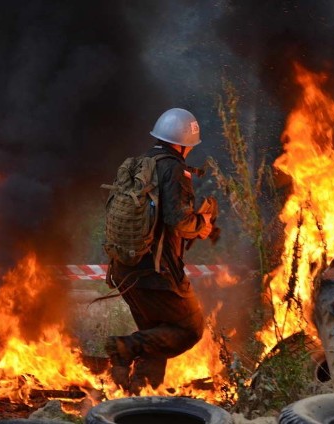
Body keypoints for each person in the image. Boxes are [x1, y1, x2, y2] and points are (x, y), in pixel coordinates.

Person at [104, 107, 214, 394]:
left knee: (157, 336)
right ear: (183, 144)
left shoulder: (141, 163)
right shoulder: (173, 168)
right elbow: (179, 220)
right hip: (156, 272)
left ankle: (140, 394)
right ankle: (123, 347)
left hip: (124, 267)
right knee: (188, 329)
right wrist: (202, 223)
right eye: (189, 146)